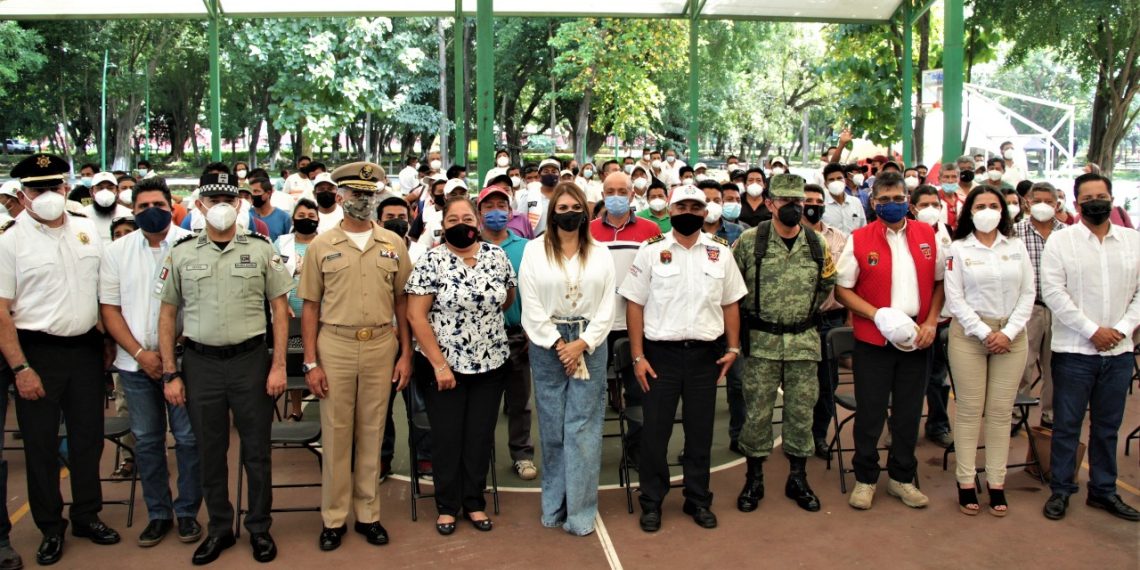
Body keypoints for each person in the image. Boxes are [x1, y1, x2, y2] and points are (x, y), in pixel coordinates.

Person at [157, 172, 292, 565]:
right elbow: (167, 315)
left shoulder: (262, 249)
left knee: (257, 451)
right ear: (198, 204)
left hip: (251, 361)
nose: (219, 205)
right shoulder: (182, 253)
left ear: (239, 204)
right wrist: (170, 371)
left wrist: (278, 364)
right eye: (211, 198)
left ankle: (260, 527)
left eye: (227, 198)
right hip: (200, 364)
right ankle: (219, 528)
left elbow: (280, 311)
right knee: (209, 450)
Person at [0, 154, 119, 566]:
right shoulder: (10, 241)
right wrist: (20, 367)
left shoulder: (87, 232)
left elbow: (103, 293)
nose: (47, 195)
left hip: (86, 349)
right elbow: (1, 312)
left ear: (67, 189)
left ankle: (87, 514)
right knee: (41, 445)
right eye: (37, 189)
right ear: (23, 195)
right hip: (37, 353)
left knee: (88, 439)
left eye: (54, 186)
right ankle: (51, 527)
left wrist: (106, 342)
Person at [619, 184, 747, 533]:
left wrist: (733, 348)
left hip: (706, 356)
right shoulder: (650, 250)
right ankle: (652, 502)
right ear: (670, 212)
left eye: (696, 206)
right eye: (682, 207)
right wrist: (637, 356)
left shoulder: (720, 252)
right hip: (660, 356)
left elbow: (731, 302)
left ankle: (697, 498)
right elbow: (634, 304)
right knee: (655, 434)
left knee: (700, 432)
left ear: (705, 213)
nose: (688, 212)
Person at [298, 163, 412, 551]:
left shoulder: (392, 245)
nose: (362, 200)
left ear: (376, 196)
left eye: (369, 193)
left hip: (382, 344)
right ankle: (333, 518)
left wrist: (405, 355)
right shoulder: (321, 245)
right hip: (336, 344)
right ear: (340, 196)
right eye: (355, 193)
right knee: (336, 433)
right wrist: (310, 361)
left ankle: (368, 515)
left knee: (372, 431)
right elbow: (309, 306)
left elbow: (402, 303)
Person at [100, 177, 203, 546]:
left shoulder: (191, 246)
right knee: (146, 440)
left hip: (182, 362)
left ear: (171, 206)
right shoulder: (117, 251)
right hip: (135, 364)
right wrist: (142, 354)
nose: (151, 212)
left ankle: (188, 511)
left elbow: (199, 307)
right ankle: (158, 513)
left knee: (189, 439)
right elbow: (109, 310)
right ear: (132, 210)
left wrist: (169, 350)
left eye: (158, 205)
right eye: (143, 207)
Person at [834, 171, 945, 511]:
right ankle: (865, 479)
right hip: (874, 340)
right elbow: (842, 289)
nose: (892, 205)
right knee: (871, 412)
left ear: (907, 201)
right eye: (884, 200)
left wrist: (929, 322)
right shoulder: (860, 238)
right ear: (873, 202)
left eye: (899, 199)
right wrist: (875, 314)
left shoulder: (929, 235)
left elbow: (941, 283)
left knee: (909, 413)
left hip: (918, 339)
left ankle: (901, 478)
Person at [405, 197, 516, 536]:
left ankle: (474, 501)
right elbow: (415, 315)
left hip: (491, 363)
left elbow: (507, 297)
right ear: (444, 223)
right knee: (448, 437)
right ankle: (447, 506)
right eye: (453, 218)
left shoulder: (496, 256)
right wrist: (439, 364)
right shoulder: (432, 260)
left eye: (467, 217)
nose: (461, 223)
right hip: (444, 367)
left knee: (479, 436)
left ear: (478, 221)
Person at [1040, 173, 1140, 522]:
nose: (1095, 201)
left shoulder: (1132, 241)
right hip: (1074, 351)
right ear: (1076, 201)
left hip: (1119, 351)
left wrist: (1121, 329)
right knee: (1067, 425)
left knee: (1107, 426)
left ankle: (1103, 490)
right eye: (1088, 197)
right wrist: (1091, 330)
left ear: (1111, 199)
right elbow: (1054, 293)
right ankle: (1061, 490)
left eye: (1101, 195)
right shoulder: (1061, 242)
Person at [733, 174, 836, 514]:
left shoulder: (817, 243)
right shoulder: (750, 242)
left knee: (801, 414)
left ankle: (797, 478)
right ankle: (755, 478)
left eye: (799, 202)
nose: (794, 208)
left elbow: (825, 286)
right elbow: (732, 291)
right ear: (770, 203)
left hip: (804, 344)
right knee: (757, 415)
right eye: (786, 201)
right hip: (761, 344)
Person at [519, 183, 615, 536]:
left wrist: (583, 343)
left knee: (583, 429)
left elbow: (608, 305)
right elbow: (529, 302)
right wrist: (558, 342)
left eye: (576, 206)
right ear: (552, 212)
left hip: (590, 342)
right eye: (562, 207)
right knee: (553, 427)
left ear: (585, 213)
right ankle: (554, 506)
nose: (569, 212)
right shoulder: (533, 251)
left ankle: (581, 511)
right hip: (549, 346)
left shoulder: (601, 252)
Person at [944, 186, 1034, 517]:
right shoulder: (957, 249)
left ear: (1003, 211)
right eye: (979, 205)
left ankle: (997, 483)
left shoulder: (1016, 246)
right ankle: (966, 481)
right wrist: (985, 333)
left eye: (993, 205)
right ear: (969, 211)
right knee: (969, 410)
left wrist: (1007, 333)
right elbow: (955, 299)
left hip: (1012, 336)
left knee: (999, 412)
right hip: (970, 335)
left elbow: (1029, 293)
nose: (987, 210)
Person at [589, 173, 660, 468]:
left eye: (622, 191)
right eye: (610, 191)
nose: (616, 195)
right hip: (596, 326)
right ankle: (588, 453)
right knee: (591, 394)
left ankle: (635, 452)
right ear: (602, 194)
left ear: (632, 195)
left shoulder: (650, 229)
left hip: (636, 326)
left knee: (638, 394)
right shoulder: (588, 230)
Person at [476, 186, 538, 481]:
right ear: (479, 212)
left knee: (519, 401)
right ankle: (478, 455)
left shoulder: (527, 248)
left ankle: (522, 454)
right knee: (481, 404)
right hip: (477, 339)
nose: (496, 211)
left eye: (502, 205)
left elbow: (535, 291)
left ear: (511, 212)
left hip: (517, 334)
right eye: (489, 206)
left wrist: (531, 327)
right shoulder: (468, 246)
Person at [376, 197, 432, 481]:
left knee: (419, 403)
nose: (396, 220)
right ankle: (383, 458)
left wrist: (409, 332)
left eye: (401, 215)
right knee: (380, 405)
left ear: (411, 218)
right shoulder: (372, 250)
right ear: (379, 220)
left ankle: (424, 457)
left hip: (418, 338)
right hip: (383, 337)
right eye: (389, 216)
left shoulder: (424, 252)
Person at [803, 184, 850, 460]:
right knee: (797, 383)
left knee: (826, 383)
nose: (813, 205)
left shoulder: (840, 239)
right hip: (799, 322)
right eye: (807, 200)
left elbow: (847, 281)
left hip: (831, 320)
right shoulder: (787, 236)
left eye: (818, 201)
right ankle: (797, 433)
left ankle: (818, 435)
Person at [1014, 182, 1066, 428]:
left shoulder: (1068, 234)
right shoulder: (1015, 233)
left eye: (1049, 201)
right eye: (1037, 201)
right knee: (1021, 365)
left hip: (1060, 311)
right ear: (1028, 203)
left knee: (1055, 368)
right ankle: (1014, 415)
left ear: (1057, 205)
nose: (1043, 206)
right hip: (1028, 309)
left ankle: (1050, 416)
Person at [908, 186, 955, 448]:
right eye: (923, 204)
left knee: (939, 378)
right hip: (912, 319)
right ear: (913, 208)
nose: (930, 209)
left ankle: (938, 424)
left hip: (943, 319)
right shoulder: (905, 235)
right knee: (907, 379)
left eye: (934, 204)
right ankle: (902, 426)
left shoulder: (952, 236)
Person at [83, 171, 133, 239]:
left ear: (117, 191)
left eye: (110, 188)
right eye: (100, 188)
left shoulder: (129, 215)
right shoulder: (81, 216)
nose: (105, 192)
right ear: (91, 192)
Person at [821, 163, 867, 234]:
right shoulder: (821, 205)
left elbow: (863, 229)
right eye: (831, 180)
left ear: (844, 181)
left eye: (839, 178)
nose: (836, 182)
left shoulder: (856, 202)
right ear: (826, 184)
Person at [699, 181, 744, 246]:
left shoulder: (737, 231)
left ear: (722, 203)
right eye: (707, 200)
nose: (712, 204)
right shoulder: (691, 230)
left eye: (717, 201)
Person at [248, 176, 292, 241]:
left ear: (268, 193)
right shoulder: (247, 215)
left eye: (256, 191)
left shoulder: (284, 217)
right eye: (251, 192)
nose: (253, 195)